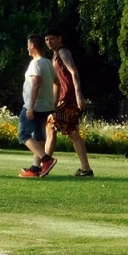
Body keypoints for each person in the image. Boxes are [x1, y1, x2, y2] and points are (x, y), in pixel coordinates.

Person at [43, 28, 93, 177]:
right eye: (46, 40)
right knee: (71, 132)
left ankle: (42, 166)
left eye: (51, 39)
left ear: (59, 38)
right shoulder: (54, 55)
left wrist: (78, 95)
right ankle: (86, 169)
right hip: (62, 98)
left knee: (51, 128)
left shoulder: (63, 52)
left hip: (66, 99)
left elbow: (74, 72)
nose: (49, 42)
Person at [18, 33, 57, 178]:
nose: (27, 48)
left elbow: (36, 84)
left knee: (23, 135)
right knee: (39, 137)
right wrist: (54, 102)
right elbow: (57, 83)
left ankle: (46, 160)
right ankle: (35, 169)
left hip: (35, 106)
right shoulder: (48, 63)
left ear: (32, 45)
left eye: (28, 45)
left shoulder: (36, 63)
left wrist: (31, 106)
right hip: (46, 106)